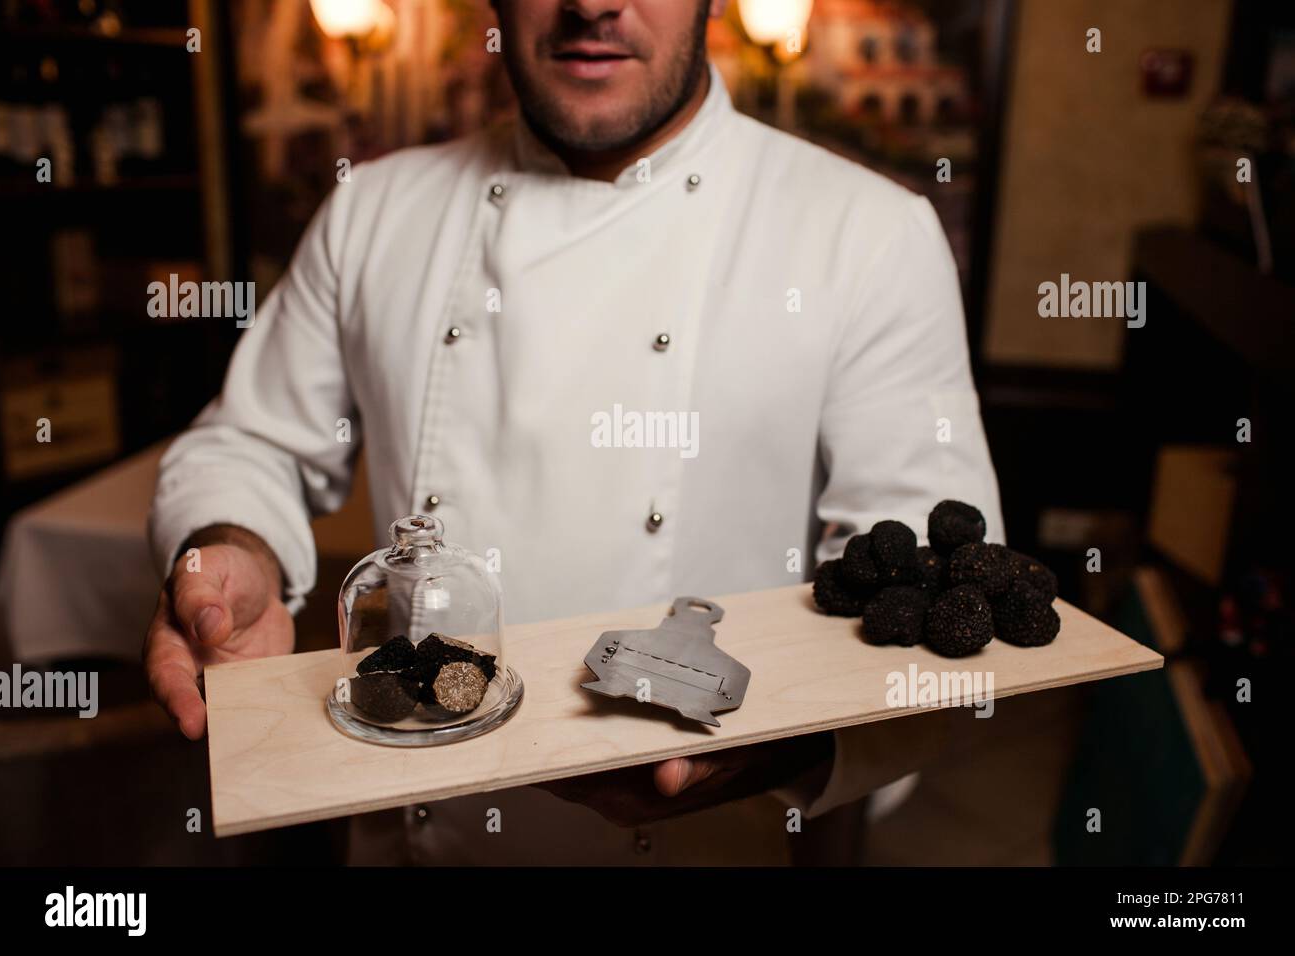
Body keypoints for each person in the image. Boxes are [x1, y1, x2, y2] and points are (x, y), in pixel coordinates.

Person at [144, 0, 1002, 865]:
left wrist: (777, 747)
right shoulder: (373, 211)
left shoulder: (868, 234)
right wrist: (231, 549)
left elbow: (932, 586)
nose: (592, 3)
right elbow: (252, 446)